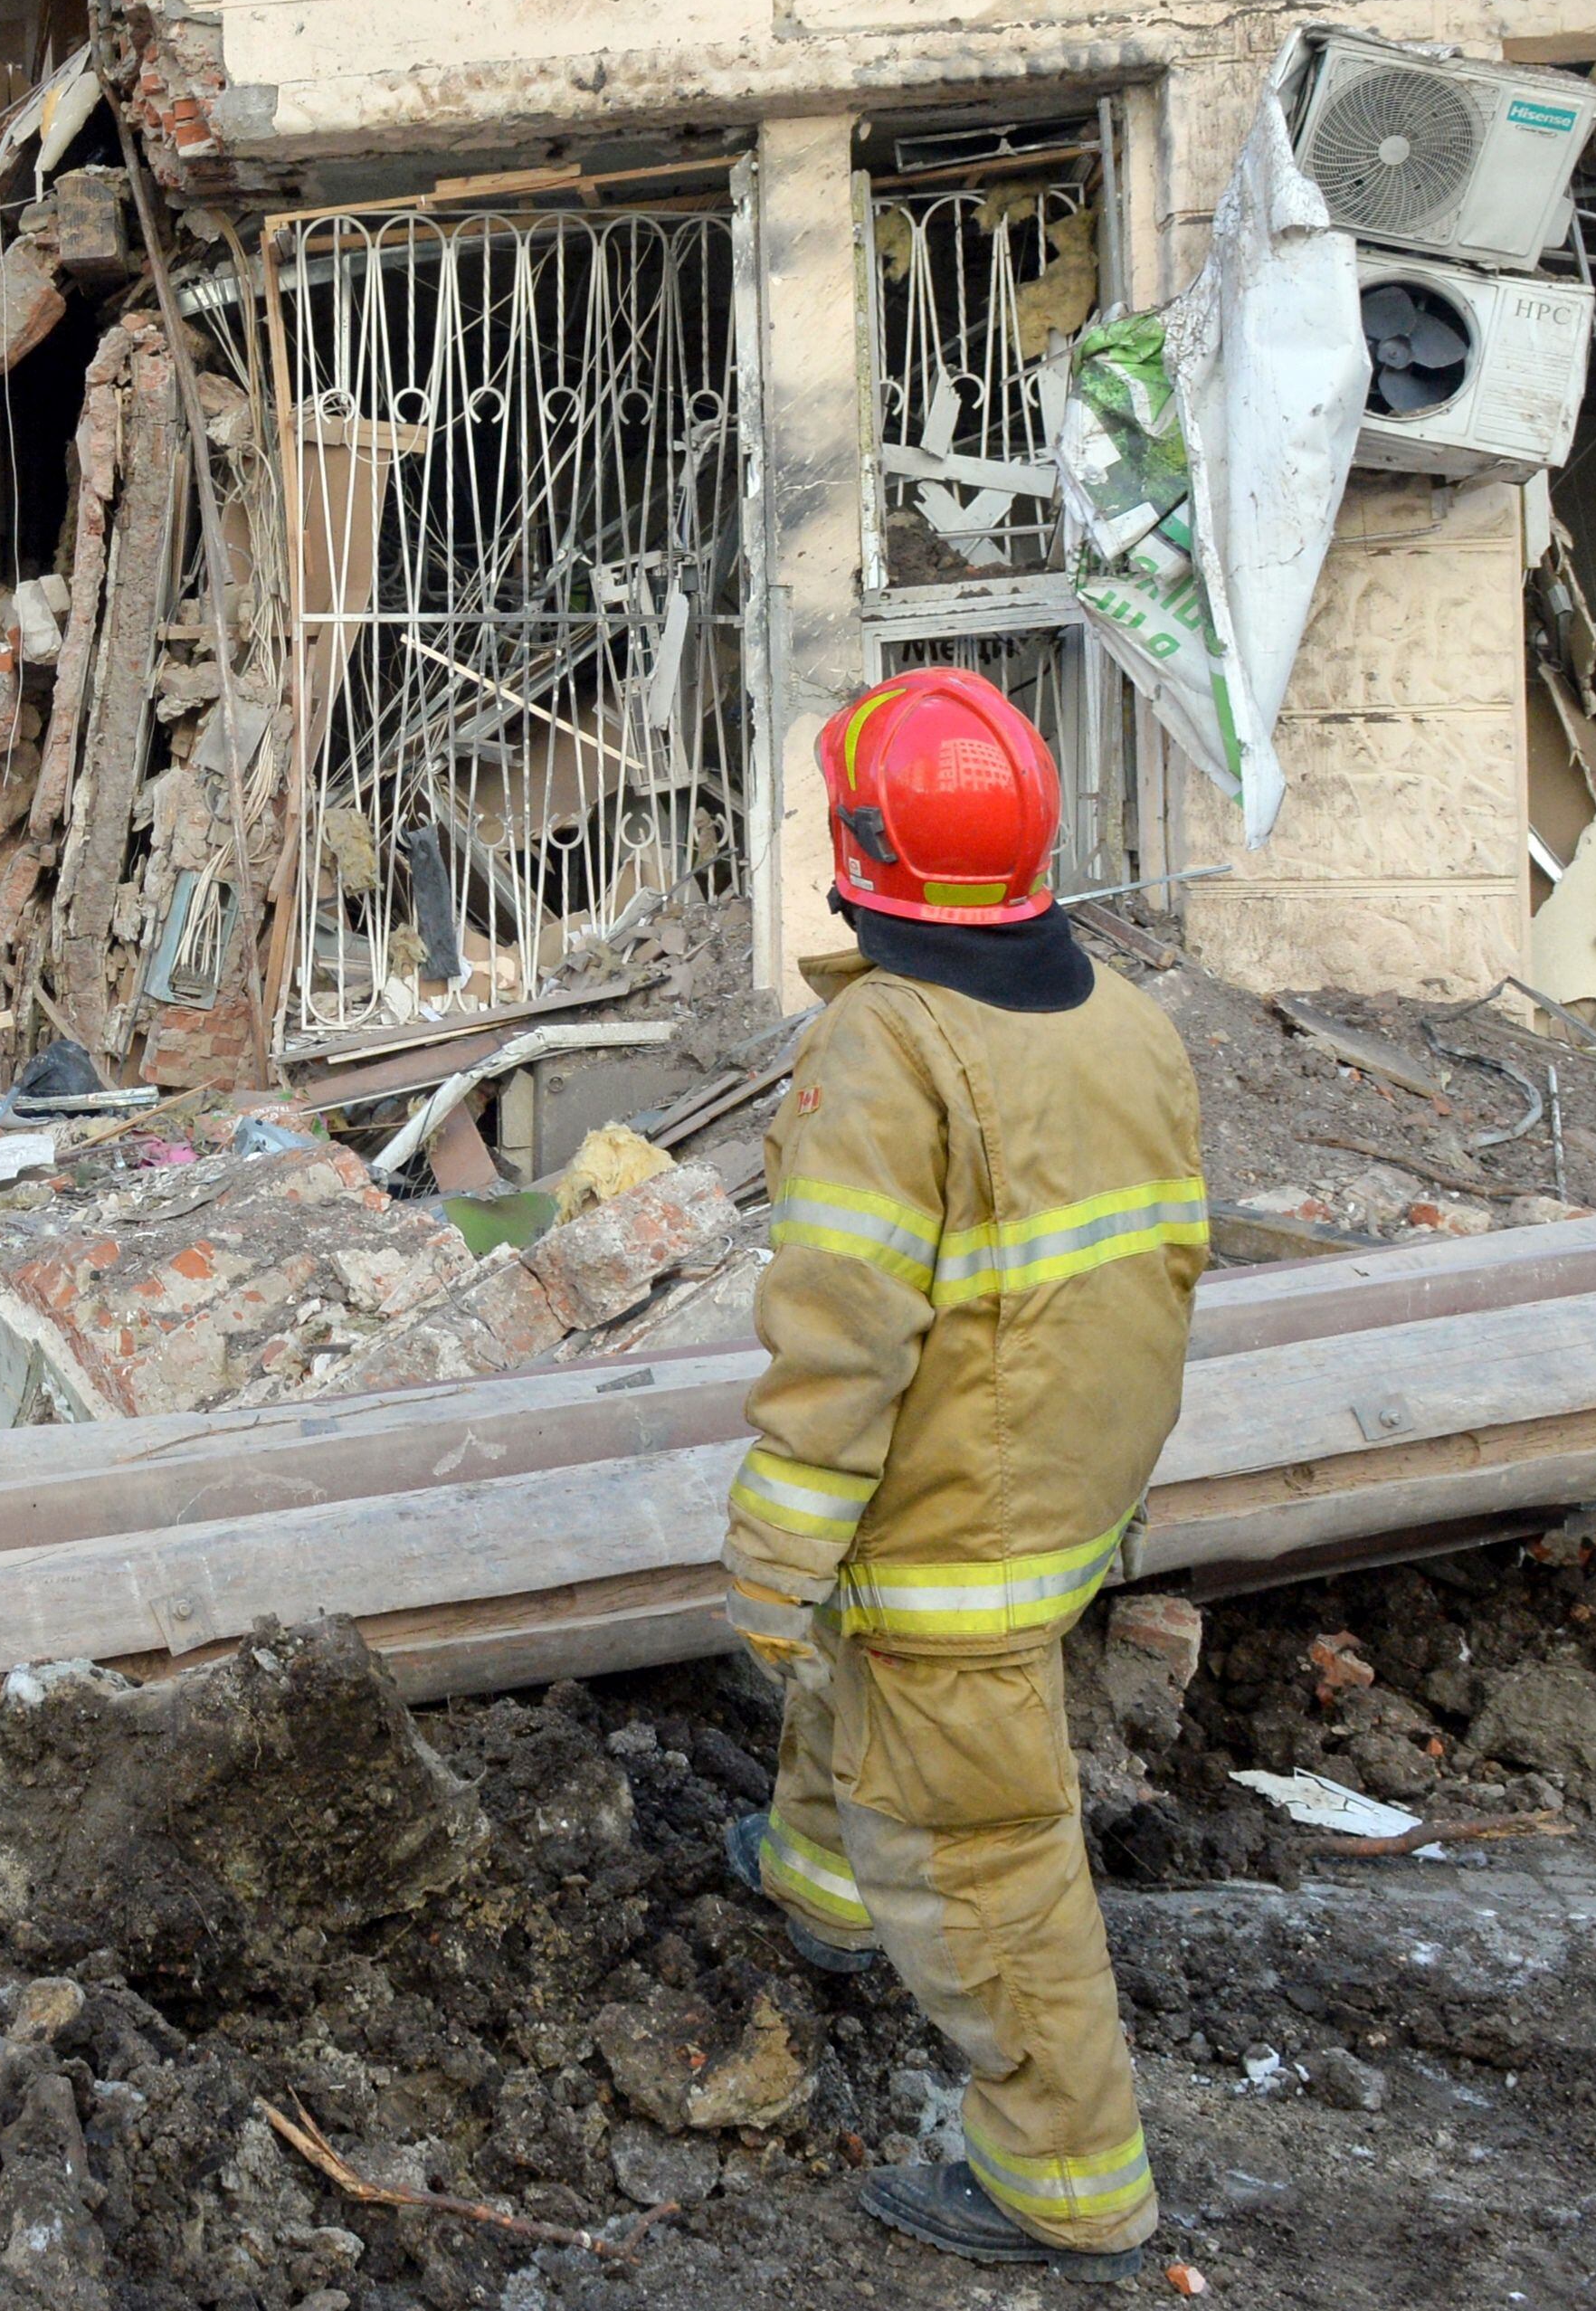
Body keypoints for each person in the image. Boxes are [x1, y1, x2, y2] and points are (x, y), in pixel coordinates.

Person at [717, 666, 1208, 2285]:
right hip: (1055, 1491)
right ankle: (816, 1880)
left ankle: (1062, 2176)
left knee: (984, 1849)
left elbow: (838, 1331)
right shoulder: (1120, 1017)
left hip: (952, 1532)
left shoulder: (887, 1043)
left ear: (862, 844)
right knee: (860, 1690)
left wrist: (773, 1548)